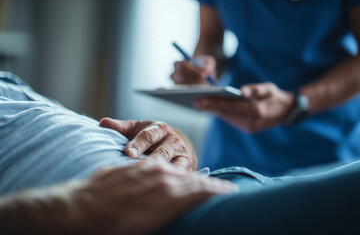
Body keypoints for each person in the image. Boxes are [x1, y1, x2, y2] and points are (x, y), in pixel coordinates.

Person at [1, 71, 360, 234]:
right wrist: (61, 208)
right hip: (146, 221)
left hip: (212, 184)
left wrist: (166, 143)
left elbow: (57, 134)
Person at [171, 0, 360, 175]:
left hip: (326, 134)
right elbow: (210, 37)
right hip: (236, 138)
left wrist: (295, 104)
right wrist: (201, 68)